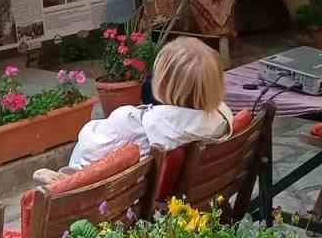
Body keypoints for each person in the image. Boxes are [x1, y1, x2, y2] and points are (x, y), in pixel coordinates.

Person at [60, 37, 232, 172]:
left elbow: (87, 151)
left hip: (115, 203)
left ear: (163, 83)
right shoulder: (222, 119)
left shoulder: (134, 123)